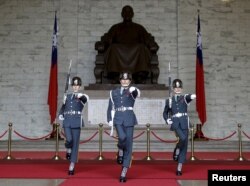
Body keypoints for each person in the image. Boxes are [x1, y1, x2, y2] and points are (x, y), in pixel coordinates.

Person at [96, 5, 159, 84]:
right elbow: (107, 40)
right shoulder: (115, 27)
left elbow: (147, 39)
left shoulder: (139, 28)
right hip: (118, 51)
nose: (127, 14)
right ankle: (116, 75)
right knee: (113, 47)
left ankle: (139, 75)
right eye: (125, 12)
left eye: (129, 12)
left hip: (136, 51)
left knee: (141, 47)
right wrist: (101, 44)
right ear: (122, 14)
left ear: (132, 14)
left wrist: (152, 45)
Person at [107, 72, 140, 182]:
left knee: (129, 144)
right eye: (123, 79)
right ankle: (120, 148)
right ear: (120, 80)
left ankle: (124, 171)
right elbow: (110, 106)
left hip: (129, 119)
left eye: (127, 80)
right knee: (122, 138)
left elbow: (137, 93)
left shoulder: (132, 92)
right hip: (118, 119)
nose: (125, 81)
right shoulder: (113, 92)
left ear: (130, 81)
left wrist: (133, 90)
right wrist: (109, 119)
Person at [163, 79, 196, 176]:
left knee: (185, 144)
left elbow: (189, 97)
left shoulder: (184, 98)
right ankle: (177, 147)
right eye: (176, 87)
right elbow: (165, 113)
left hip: (184, 122)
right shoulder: (169, 100)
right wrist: (167, 119)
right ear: (173, 89)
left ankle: (179, 167)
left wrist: (193, 96)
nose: (178, 89)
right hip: (176, 123)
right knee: (183, 138)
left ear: (182, 89)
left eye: (179, 87)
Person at [58, 76, 89, 175]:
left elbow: (85, 99)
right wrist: (60, 114)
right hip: (67, 121)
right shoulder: (67, 96)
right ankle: (68, 148)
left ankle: (72, 165)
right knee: (69, 139)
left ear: (79, 86)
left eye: (77, 85)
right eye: (74, 85)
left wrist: (80, 96)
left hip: (76, 121)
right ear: (72, 86)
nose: (75, 87)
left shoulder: (82, 96)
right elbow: (63, 107)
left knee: (75, 144)